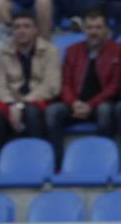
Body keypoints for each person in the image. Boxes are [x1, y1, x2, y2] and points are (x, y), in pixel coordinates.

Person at [47, 8, 121, 160]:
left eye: (98, 27)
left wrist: (91, 104)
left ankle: (104, 160)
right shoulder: (72, 50)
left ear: (106, 30)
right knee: (53, 111)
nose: (93, 32)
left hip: (101, 103)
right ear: (84, 29)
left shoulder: (117, 51)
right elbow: (65, 82)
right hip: (75, 104)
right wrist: (74, 103)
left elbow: (114, 86)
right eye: (89, 27)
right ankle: (57, 164)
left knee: (105, 110)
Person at [0, 12, 60, 155]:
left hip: (40, 99)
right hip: (11, 101)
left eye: (27, 26)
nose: (21, 31)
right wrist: (11, 104)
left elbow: (51, 85)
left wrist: (21, 105)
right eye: (17, 27)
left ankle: (39, 157)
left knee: (31, 111)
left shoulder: (51, 51)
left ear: (35, 30)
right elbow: (0, 86)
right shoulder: (2, 54)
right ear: (12, 32)